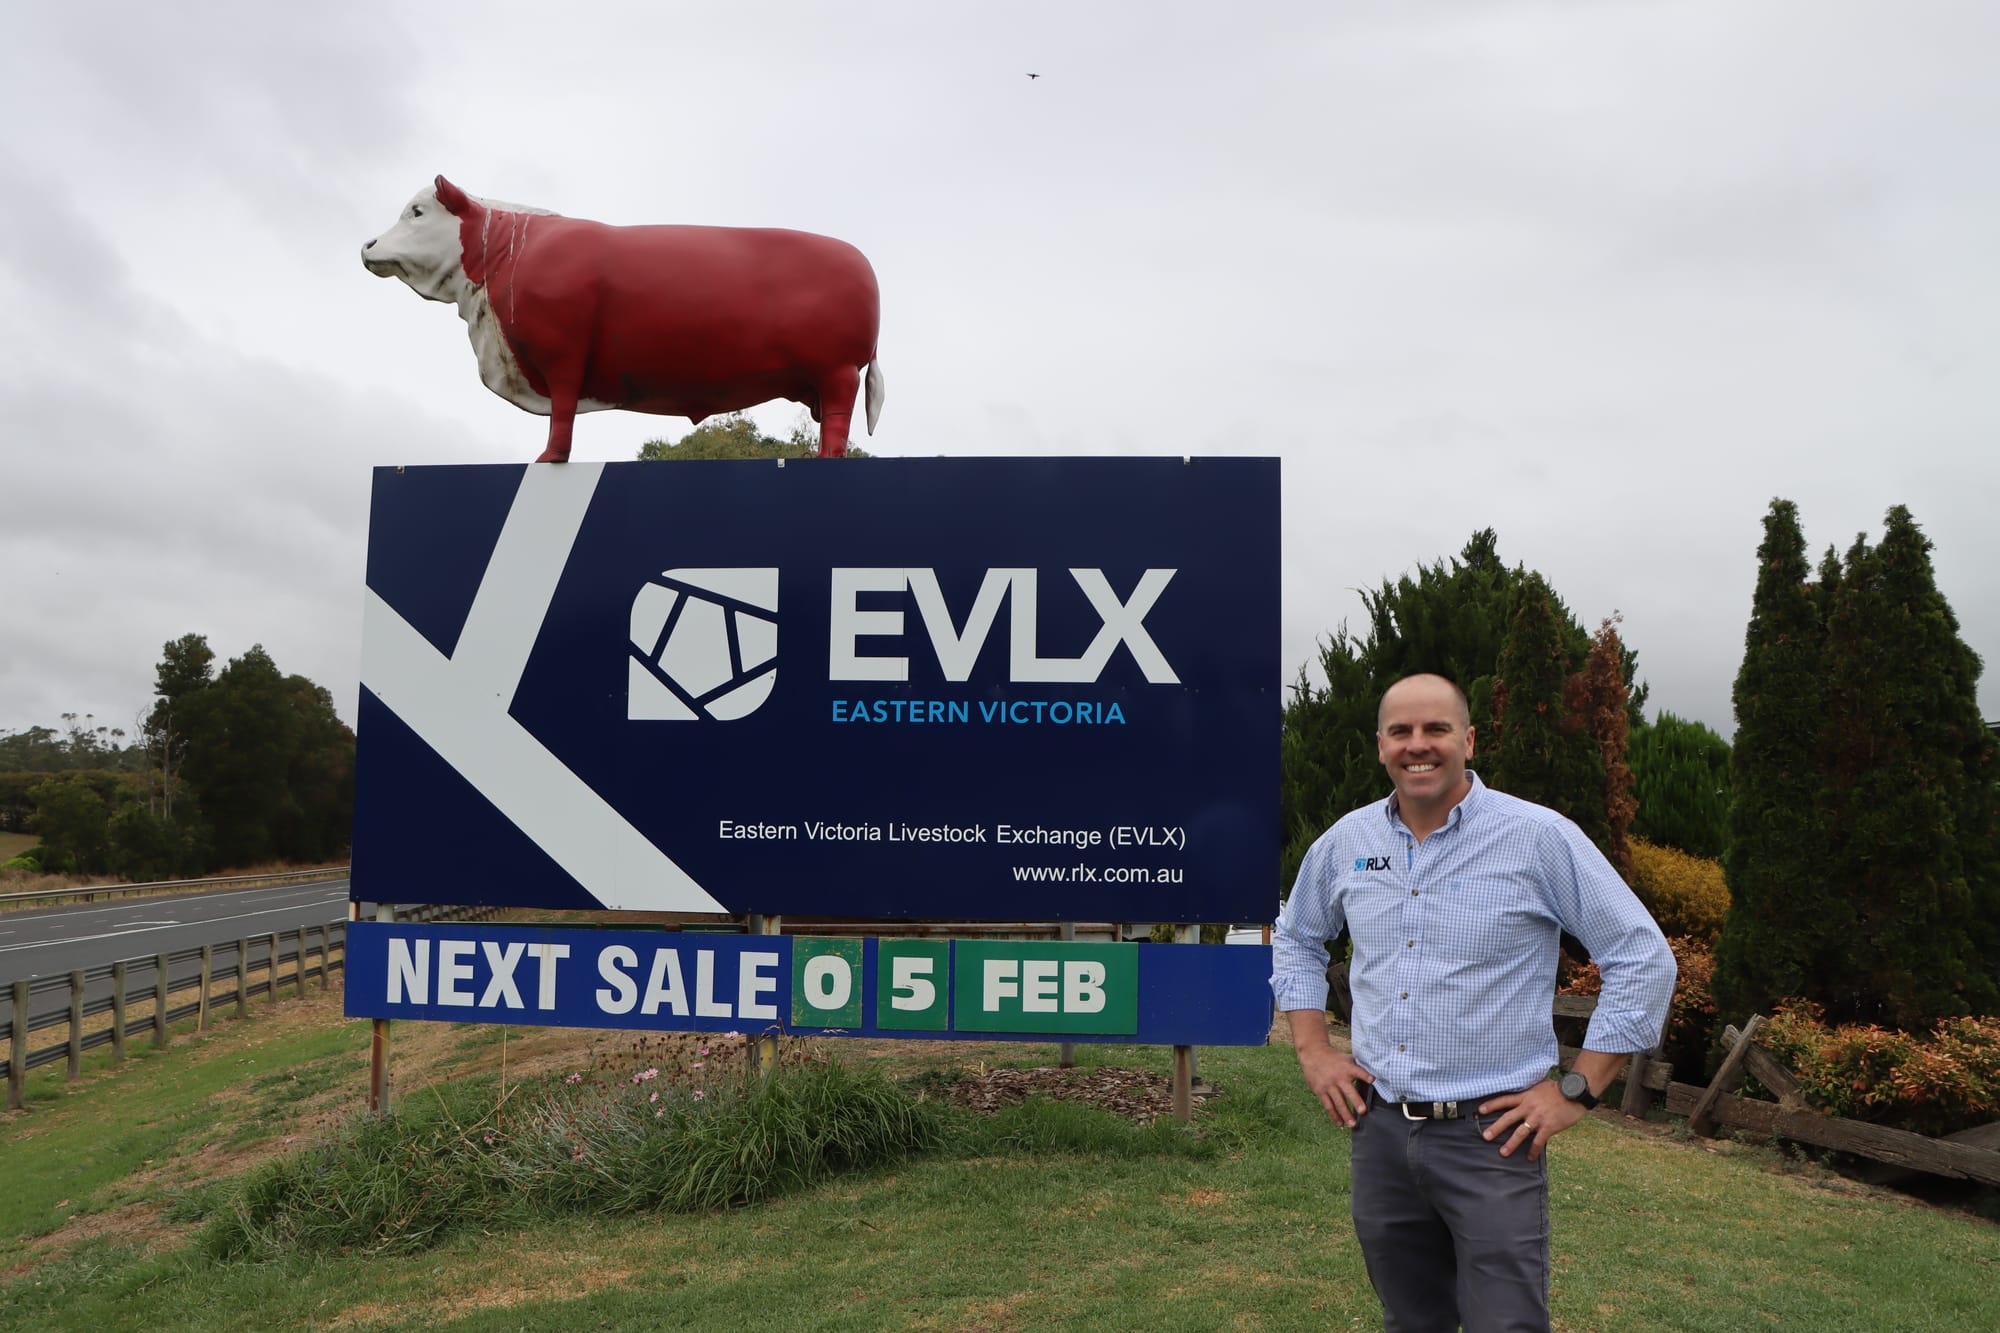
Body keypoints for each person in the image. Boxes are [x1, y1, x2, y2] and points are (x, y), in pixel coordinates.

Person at [1271, 673, 1674, 1332]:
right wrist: (1314, 1050)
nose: (1418, 745)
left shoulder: (1538, 837)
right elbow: (1296, 939)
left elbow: (1643, 956)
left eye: (1436, 728)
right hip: (1380, 1132)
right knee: (1410, 1320)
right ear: (1380, 745)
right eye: (1401, 731)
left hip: (1492, 1137)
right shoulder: (1347, 843)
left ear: (1469, 739)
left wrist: (1578, 1088)